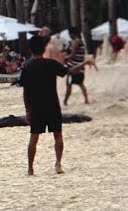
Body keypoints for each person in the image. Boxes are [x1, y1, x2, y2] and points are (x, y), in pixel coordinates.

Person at [20, 35, 85, 175]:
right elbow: (70, 72)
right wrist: (84, 63)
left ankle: (30, 168)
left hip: (36, 107)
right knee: (58, 136)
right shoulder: (51, 64)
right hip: (52, 104)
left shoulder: (27, 67)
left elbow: (26, 92)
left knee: (34, 137)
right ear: (44, 49)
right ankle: (58, 164)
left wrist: (27, 110)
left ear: (31, 50)